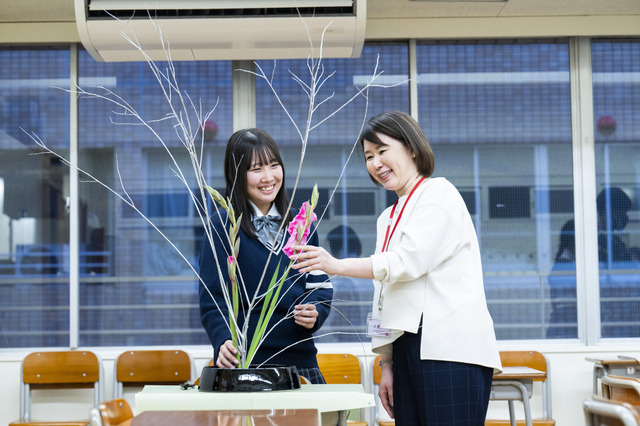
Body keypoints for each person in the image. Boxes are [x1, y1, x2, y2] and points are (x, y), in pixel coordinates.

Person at [293, 111, 502, 425]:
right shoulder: (388, 216)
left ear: (412, 148)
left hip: (449, 349)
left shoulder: (439, 195)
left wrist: (336, 265)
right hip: (407, 349)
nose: (375, 162)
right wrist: (387, 362)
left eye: (382, 151)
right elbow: (385, 292)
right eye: (368, 156)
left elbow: (406, 263)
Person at [198, 128, 333, 383]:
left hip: (300, 364)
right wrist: (222, 338)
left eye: (274, 165)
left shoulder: (302, 224)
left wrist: (316, 310)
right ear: (235, 174)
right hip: (244, 364)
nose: (268, 177)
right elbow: (212, 298)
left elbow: (320, 285)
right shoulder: (221, 226)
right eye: (256, 169)